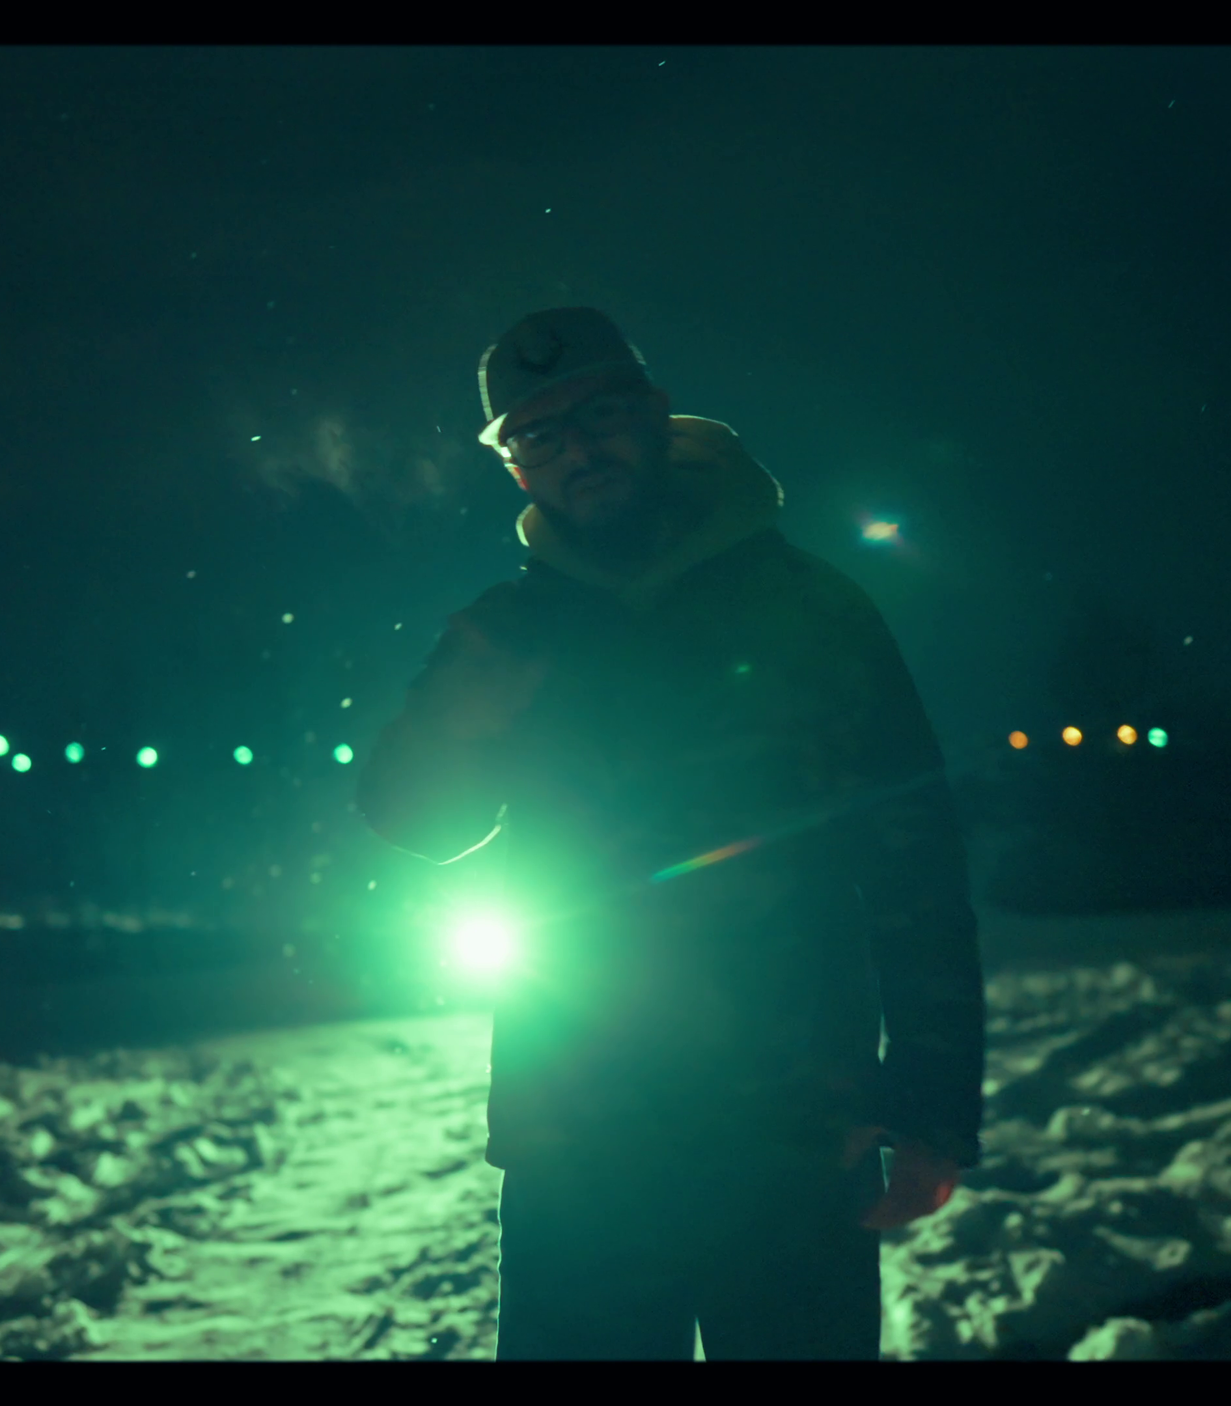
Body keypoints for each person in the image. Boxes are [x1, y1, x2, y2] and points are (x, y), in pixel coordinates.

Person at [355, 309, 984, 1361]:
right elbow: (412, 820)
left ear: (654, 414)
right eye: (538, 437)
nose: (576, 451)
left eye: (596, 415)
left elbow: (914, 863)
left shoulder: (809, 609)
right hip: (577, 1142)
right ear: (515, 470)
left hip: (791, 1130)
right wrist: (452, 722)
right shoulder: (508, 630)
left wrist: (932, 1106)